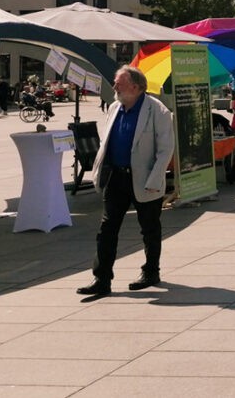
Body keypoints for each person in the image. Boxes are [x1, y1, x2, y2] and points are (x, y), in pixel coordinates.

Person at [76, 65, 175, 298]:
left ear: (136, 87)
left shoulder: (157, 111)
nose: (115, 86)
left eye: (119, 83)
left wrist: (155, 178)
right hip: (116, 177)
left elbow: (165, 149)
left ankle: (151, 271)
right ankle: (102, 279)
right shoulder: (114, 107)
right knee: (107, 228)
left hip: (144, 179)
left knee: (149, 228)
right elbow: (107, 142)